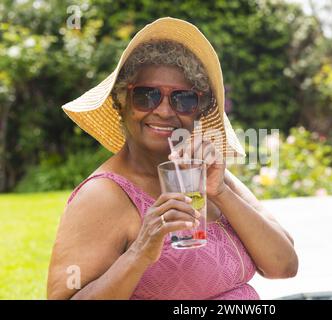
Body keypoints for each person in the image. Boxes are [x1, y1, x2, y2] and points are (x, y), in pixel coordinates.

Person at [47, 17, 298, 300]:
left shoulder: (211, 175)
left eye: (183, 99)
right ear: (122, 101)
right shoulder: (102, 195)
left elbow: (284, 265)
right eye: (147, 95)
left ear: (198, 111)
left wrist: (221, 192)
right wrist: (141, 251)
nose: (165, 111)